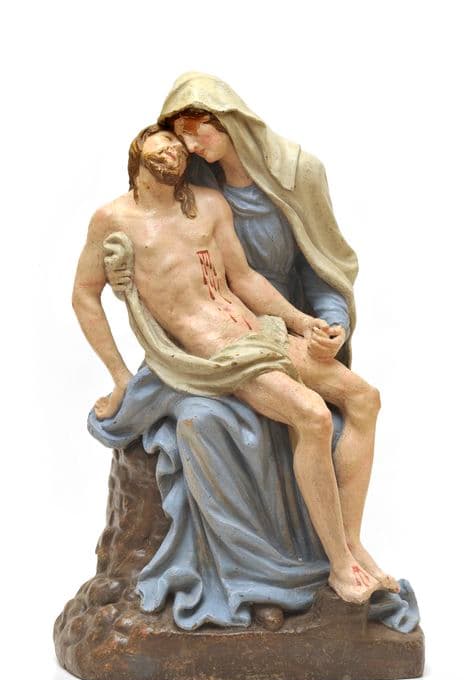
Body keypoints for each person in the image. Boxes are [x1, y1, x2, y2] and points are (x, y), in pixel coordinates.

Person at [87, 73, 419, 633]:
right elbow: (83, 295)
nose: (179, 150)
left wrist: (303, 322)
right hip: (216, 355)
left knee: (364, 398)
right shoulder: (114, 221)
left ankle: (351, 542)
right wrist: (120, 375)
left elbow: (244, 279)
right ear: (137, 155)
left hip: (258, 330)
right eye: (169, 141)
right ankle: (340, 569)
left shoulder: (209, 204)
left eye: (183, 143)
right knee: (312, 416)